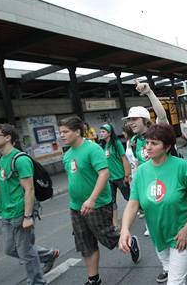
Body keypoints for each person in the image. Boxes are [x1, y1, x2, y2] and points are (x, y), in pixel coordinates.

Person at [119, 123, 187, 285]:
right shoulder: (141, 171)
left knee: (175, 280)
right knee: (185, 263)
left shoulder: (182, 167)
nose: (148, 147)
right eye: (147, 142)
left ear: (167, 147)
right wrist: (125, 229)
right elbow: (133, 204)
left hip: (182, 233)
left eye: (154, 143)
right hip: (158, 233)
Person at [59, 117, 140, 285]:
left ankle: (130, 242)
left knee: (109, 238)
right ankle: (94, 279)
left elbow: (104, 174)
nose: (62, 135)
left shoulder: (93, 149)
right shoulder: (67, 155)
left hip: (97, 205)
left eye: (65, 132)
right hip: (76, 207)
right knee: (86, 244)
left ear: (77, 131)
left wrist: (91, 199)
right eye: (60, 132)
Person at [0, 124, 59, 284]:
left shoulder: (20, 159)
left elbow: (29, 189)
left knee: (25, 252)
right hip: (6, 211)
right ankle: (48, 254)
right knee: (10, 249)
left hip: (21, 210)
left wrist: (28, 216)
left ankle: (37, 281)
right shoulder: (0, 160)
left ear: (8, 137)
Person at [122, 80, 171, 282]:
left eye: (134, 119)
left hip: (170, 185)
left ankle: (182, 259)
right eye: (129, 120)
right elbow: (136, 166)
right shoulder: (132, 142)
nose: (131, 123)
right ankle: (167, 266)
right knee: (155, 231)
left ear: (144, 120)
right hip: (151, 191)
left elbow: (162, 115)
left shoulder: (159, 131)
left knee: (173, 228)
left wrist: (149, 92)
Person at [99, 123, 132, 228]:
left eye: (103, 131)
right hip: (110, 179)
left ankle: (142, 210)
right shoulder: (103, 146)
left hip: (120, 177)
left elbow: (124, 159)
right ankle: (115, 223)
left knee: (129, 197)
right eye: (101, 131)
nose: (101, 134)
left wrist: (127, 174)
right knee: (111, 200)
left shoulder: (116, 144)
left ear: (109, 133)